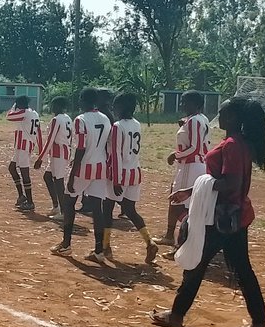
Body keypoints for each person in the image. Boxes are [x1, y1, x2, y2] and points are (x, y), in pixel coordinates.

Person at [150, 97, 265, 327]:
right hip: (235, 216)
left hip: (220, 218)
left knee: (196, 264)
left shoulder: (232, 145)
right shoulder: (238, 143)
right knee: (242, 270)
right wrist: (190, 191)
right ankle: (260, 324)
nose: (220, 114)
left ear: (235, 118)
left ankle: (176, 314)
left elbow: (230, 183)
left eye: (225, 112)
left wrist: (198, 186)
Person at [51, 87, 112, 263]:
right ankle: (99, 250)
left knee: (69, 201)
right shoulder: (105, 118)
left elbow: (81, 148)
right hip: (100, 167)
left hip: (85, 166)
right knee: (97, 208)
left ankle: (66, 245)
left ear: (83, 100)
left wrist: (72, 175)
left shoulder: (81, 120)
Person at [106, 92, 158, 264]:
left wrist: (116, 179)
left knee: (107, 209)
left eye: (115, 105)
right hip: (134, 171)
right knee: (130, 210)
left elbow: (115, 154)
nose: (113, 108)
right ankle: (149, 241)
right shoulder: (137, 124)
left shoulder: (117, 126)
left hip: (120, 174)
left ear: (120, 107)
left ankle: (105, 246)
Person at [159, 91, 210, 247]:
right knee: (178, 199)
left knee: (178, 201)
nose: (182, 105)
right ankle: (171, 235)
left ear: (196, 104)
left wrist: (175, 154)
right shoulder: (202, 119)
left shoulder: (194, 121)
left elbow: (194, 147)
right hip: (195, 165)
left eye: (185, 102)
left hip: (190, 165)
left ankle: (188, 237)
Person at [33, 96, 72, 220]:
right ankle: (57, 206)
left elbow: (50, 140)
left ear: (58, 106)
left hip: (58, 153)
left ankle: (64, 211)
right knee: (48, 177)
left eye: (53, 105)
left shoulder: (56, 119)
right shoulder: (68, 118)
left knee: (59, 181)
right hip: (64, 151)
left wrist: (40, 158)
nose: (52, 107)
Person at [5, 95, 41, 212]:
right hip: (22, 145)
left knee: (25, 173)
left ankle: (30, 201)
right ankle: (22, 196)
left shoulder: (24, 113)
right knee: (12, 168)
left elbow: (8, 117)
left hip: (24, 145)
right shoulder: (34, 113)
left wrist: (13, 107)